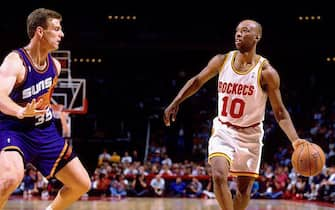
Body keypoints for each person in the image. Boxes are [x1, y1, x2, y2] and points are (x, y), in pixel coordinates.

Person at [163, 19, 307, 210]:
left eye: (245, 31)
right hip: (224, 129)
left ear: (257, 37)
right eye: (237, 31)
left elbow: (280, 112)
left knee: (243, 191)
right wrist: (176, 101)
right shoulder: (221, 60)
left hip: (251, 134)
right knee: (219, 175)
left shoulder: (266, 72)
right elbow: (197, 81)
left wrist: (295, 141)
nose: (239, 34)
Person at [0, 8, 91, 210]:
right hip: (14, 130)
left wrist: (56, 113)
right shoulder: (15, 61)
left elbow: (43, 99)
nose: (62, 34)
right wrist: (20, 111)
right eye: (56, 29)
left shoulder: (55, 66)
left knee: (82, 184)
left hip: (45, 132)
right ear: (40, 32)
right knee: (9, 179)